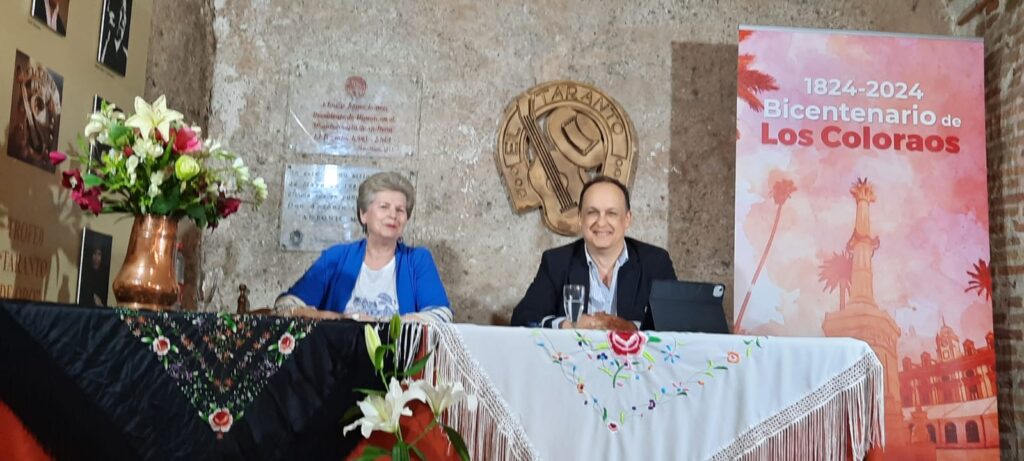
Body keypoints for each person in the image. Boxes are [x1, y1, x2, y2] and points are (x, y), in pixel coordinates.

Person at [276, 172, 451, 323]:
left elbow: (441, 315)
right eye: (384, 207)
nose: (393, 215)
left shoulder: (418, 260)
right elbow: (285, 306)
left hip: (399, 352)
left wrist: (381, 324)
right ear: (363, 214)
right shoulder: (336, 257)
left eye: (400, 210)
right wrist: (335, 318)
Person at [511, 176, 677, 330]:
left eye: (611, 213)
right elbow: (523, 319)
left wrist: (628, 327)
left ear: (627, 219)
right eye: (592, 212)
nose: (601, 222)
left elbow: (675, 323)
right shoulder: (556, 262)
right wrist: (569, 324)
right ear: (580, 218)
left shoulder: (655, 262)